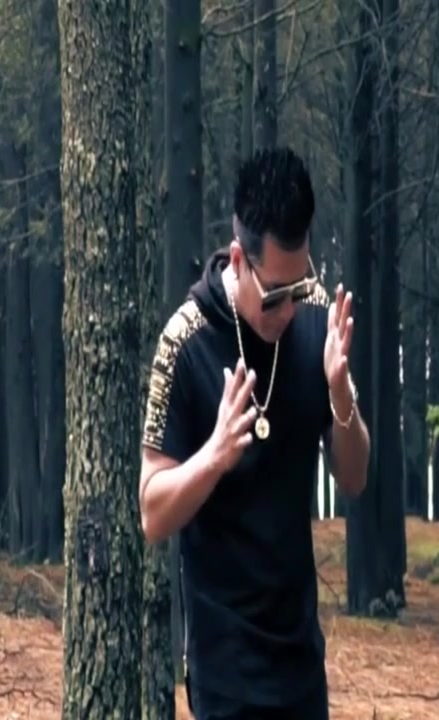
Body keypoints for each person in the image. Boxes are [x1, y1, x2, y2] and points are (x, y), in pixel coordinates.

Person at [139, 146, 370, 720]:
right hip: (224, 670)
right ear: (239, 260)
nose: (288, 309)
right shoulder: (185, 344)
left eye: (299, 286)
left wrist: (341, 396)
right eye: (274, 296)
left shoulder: (316, 318)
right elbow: (152, 512)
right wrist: (213, 457)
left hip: (300, 663)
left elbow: (355, 477)